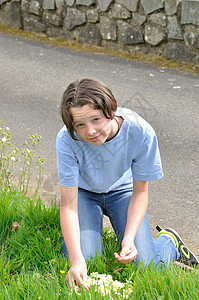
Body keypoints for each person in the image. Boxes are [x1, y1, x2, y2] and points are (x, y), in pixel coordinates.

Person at [56, 78, 198, 289]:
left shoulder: (141, 132)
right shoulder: (67, 140)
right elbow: (68, 205)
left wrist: (129, 238)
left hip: (123, 191)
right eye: (80, 125)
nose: (90, 131)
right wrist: (76, 261)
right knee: (87, 262)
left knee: (147, 265)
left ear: (110, 110)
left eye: (96, 119)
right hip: (84, 194)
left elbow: (140, 192)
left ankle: (169, 242)